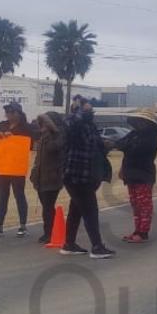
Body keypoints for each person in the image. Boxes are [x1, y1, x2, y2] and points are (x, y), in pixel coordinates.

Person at [59, 95, 115, 258]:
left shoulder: (90, 126)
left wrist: (106, 145)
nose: (91, 112)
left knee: (76, 210)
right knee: (91, 210)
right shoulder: (72, 123)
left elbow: (96, 146)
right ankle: (97, 247)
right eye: (88, 110)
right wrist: (79, 110)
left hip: (88, 176)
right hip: (76, 176)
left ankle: (69, 244)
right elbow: (71, 124)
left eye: (91, 110)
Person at [113, 108, 157, 243]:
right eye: (138, 120)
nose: (139, 123)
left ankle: (143, 232)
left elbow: (137, 150)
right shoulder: (134, 134)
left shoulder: (152, 137)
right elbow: (119, 144)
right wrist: (123, 168)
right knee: (135, 204)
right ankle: (137, 230)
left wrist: (127, 146)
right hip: (130, 173)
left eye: (142, 121)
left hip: (144, 174)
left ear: (148, 123)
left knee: (144, 204)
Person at [0, 101, 33, 238]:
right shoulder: (1, 125)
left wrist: (14, 138)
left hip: (17, 166)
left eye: (12, 112)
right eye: (7, 112)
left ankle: (23, 225)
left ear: (18, 113)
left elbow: (30, 143)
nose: (9, 115)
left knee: (19, 195)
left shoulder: (25, 127)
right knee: (2, 196)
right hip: (3, 167)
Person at [30, 110, 66, 244]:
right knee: (46, 206)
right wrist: (34, 173)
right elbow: (38, 158)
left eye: (46, 122)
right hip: (41, 177)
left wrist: (52, 131)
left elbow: (54, 148)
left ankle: (49, 232)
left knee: (47, 207)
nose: (43, 125)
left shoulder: (58, 136)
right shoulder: (42, 136)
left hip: (52, 178)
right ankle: (50, 230)